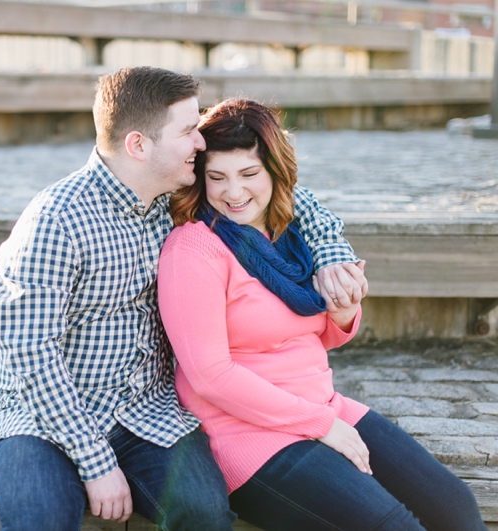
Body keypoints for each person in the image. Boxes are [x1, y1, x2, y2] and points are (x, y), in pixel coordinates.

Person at [0, 67, 365, 531]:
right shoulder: (55, 221)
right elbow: (32, 354)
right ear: (138, 145)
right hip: (47, 419)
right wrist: (96, 463)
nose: (201, 143)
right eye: (188, 131)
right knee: (37, 522)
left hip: (149, 414)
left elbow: (289, 195)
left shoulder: (178, 195)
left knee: (205, 515)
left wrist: (330, 254)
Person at [157, 98, 486, 531]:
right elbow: (209, 375)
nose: (233, 193)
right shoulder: (195, 249)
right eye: (217, 178)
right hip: (246, 437)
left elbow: (315, 338)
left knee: (456, 506)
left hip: (321, 405)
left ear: (276, 170)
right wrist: (319, 424)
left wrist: (345, 309)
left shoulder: (291, 233)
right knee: (394, 526)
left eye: (249, 174)